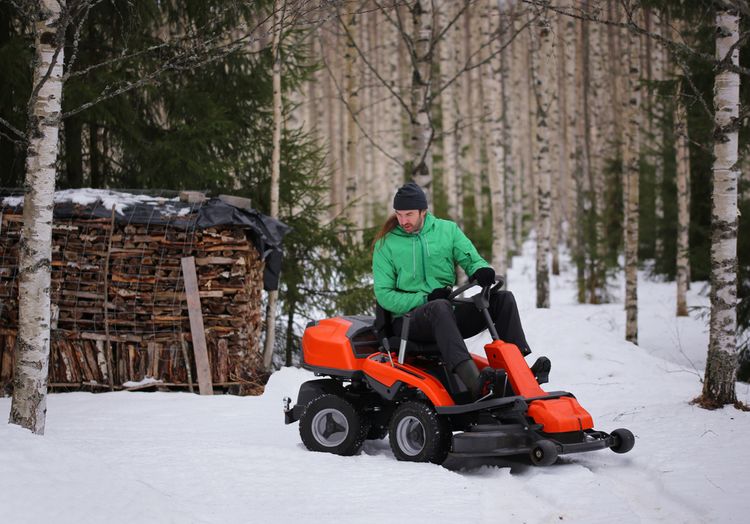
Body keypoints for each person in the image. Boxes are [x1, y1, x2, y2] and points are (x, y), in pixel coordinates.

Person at [372, 182, 533, 400]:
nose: (403, 221)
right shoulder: (387, 244)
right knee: (439, 307)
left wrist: (480, 270)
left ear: (423, 211)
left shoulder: (447, 231)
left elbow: (471, 258)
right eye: (399, 215)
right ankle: (474, 384)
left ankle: (520, 372)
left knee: (502, 299)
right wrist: (424, 299)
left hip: (446, 314)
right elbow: (384, 295)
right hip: (410, 321)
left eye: (409, 214)